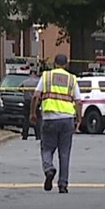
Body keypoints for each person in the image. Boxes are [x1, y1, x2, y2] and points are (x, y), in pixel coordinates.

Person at [30, 53, 81, 193]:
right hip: (67, 119)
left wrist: (33, 113)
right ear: (66, 64)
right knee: (64, 153)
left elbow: (35, 96)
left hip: (49, 118)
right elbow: (78, 101)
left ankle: (48, 169)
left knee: (46, 149)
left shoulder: (46, 76)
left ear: (54, 64)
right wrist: (79, 118)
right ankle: (63, 184)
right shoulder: (72, 79)